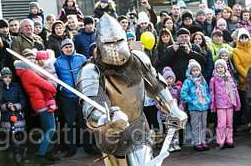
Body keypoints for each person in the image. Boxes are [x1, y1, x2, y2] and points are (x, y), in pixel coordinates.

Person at [76, 13, 187, 165]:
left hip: (137, 125)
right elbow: (90, 109)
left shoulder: (139, 59)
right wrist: (105, 119)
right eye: (109, 43)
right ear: (100, 45)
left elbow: (157, 85)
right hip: (110, 134)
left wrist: (172, 108)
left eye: (119, 41)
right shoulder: (91, 71)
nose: (115, 48)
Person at [14, 49, 59, 164]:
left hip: (40, 103)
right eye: (29, 58)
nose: (32, 60)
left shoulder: (27, 70)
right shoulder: (28, 73)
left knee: (46, 129)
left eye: (33, 58)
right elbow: (44, 84)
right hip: (42, 104)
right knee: (51, 129)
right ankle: (41, 154)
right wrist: (53, 88)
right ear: (24, 59)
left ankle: (45, 151)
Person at [54, 39, 96, 157]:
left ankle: (87, 146)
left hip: (81, 96)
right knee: (69, 123)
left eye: (70, 46)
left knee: (84, 122)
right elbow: (55, 77)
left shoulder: (81, 58)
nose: (69, 49)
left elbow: (88, 73)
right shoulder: (57, 62)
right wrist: (60, 88)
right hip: (67, 97)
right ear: (62, 49)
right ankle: (71, 148)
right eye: (66, 47)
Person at [209, 59, 240, 150]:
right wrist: (212, 105)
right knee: (221, 124)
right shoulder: (213, 79)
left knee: (229, 123)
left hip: (230, 104)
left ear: (225, 68)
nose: (220, 69)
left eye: (222, 67)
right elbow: (212, 93)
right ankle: (220, 141)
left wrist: (237, 103)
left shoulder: (229, 78)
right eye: (218, 67)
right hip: (220, 105)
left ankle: (229, 140)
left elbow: (235, 92)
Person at [181, 59, 211, 151]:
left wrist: (207, 99)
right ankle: (196, 142)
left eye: (197, 70)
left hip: (204, 106)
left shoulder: (202, 80)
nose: (195, 72)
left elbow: (206, 90)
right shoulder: (188, 81)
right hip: (194, 107)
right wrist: (192, 101)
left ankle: (202, 141)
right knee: (195, 125)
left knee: (203, 124)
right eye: (193, 70)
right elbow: (183, 94)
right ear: (190, 71)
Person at [0, 67, 26, 163]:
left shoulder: (16, 87)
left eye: (9, 77)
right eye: (5, 77)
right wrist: (6, 106)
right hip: (5, 119)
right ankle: (9, 160)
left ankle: (19, 159)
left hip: (17, 118)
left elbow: (23, 100)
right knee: (7, 143)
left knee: (18, 142)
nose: (7, 79)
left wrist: (16, 106)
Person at [162, 66, 184, 152]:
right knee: (168, 130)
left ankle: (175, 143)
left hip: (175, 113)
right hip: (166, 113)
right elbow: (158, 101)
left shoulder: (177, 88)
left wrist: (180, 109)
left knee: (175, 129)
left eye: (171, 78)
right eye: (167, 78)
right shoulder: (163, 89)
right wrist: (163, 108)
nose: (169, 80)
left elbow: (181, 99)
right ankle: (168, 145)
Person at [232, 28, 251, 128]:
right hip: (245, 83)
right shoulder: (235, 51)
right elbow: (238, 66)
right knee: (247, 108)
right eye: (242, 38)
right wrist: (249, 76)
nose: (244, 39)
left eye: (245, 37)